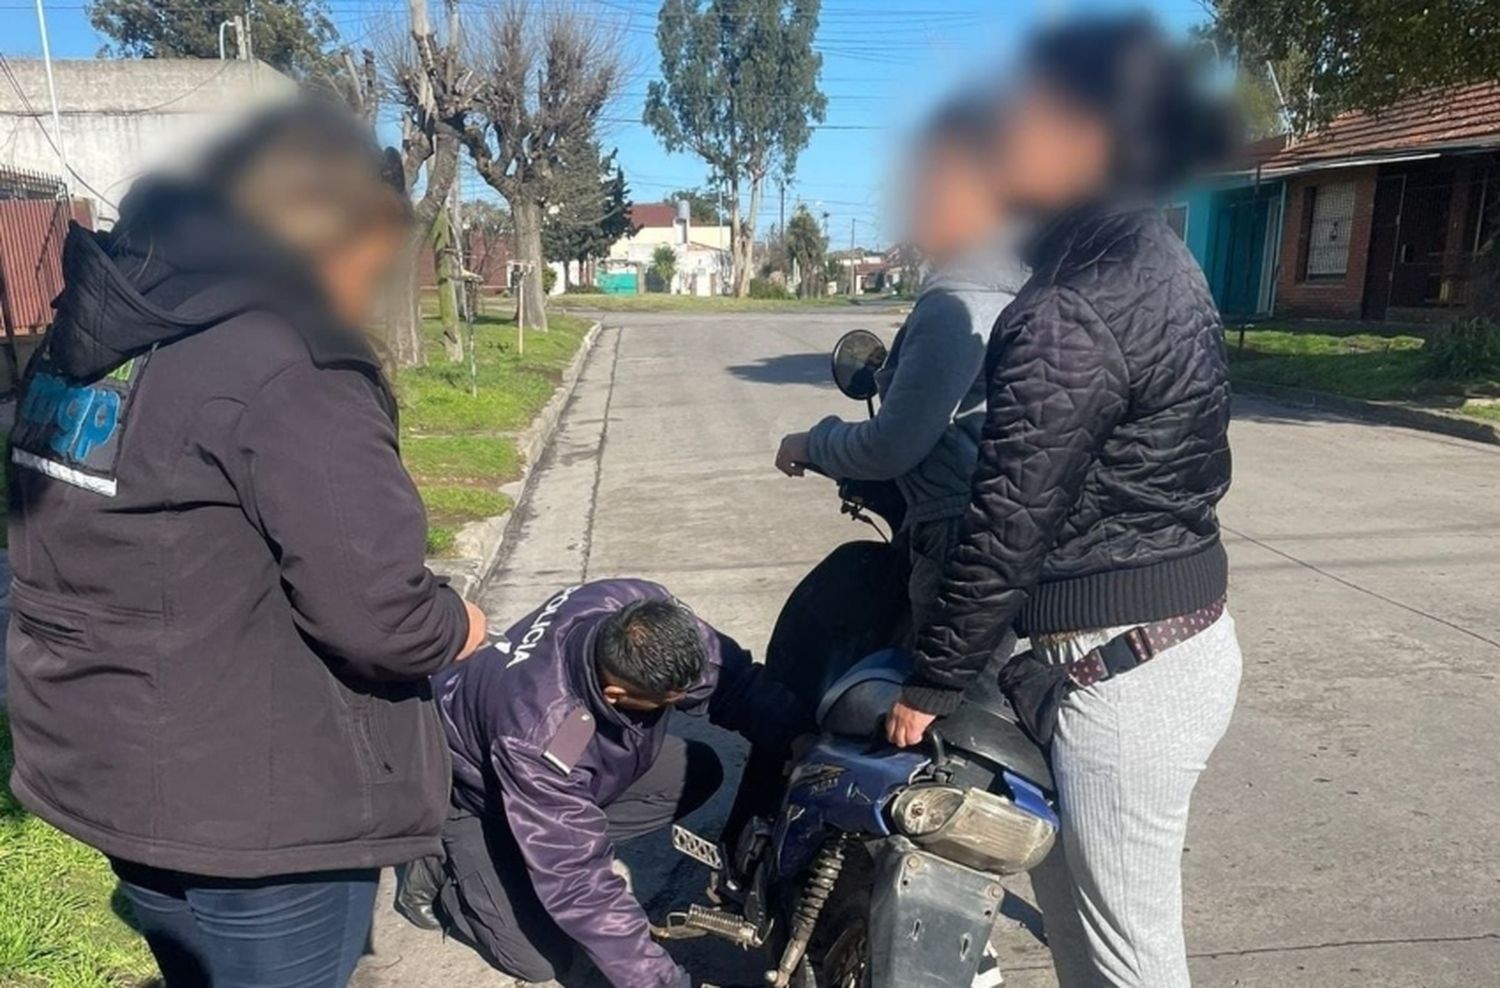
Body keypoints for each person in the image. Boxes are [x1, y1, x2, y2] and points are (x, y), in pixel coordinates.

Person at [5, 102, 487, 987]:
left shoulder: (95, 335)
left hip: (108, 766)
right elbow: (378, 614)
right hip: (260, 814)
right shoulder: (288, 366)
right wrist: (458, 625)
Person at [884, 17, 1241, 988]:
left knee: (1130, 958)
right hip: (1172, 637)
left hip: (1125, 672)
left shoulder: (1064, 309)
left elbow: (1003, 524)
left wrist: (933, 681)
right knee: (1084, 930)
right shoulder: (1158, 259)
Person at [395, 579, 809, 988]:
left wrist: (803, 737)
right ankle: (434, 857)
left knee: (696, 771)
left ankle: (539, 843)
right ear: (614, 693)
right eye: (667, 701)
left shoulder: (634, 604)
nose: (682, 702)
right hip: (470, 794)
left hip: (539, 777)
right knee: (540, 959)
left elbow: (728, 681)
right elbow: (577, 880)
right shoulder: (542, 736)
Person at [774, 98, 1027, 631]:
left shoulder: (955, 302)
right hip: (1013, 519)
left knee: (932, 700)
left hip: (957, 530)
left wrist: (812, 441)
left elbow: (894, 445)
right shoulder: (1019, 287)